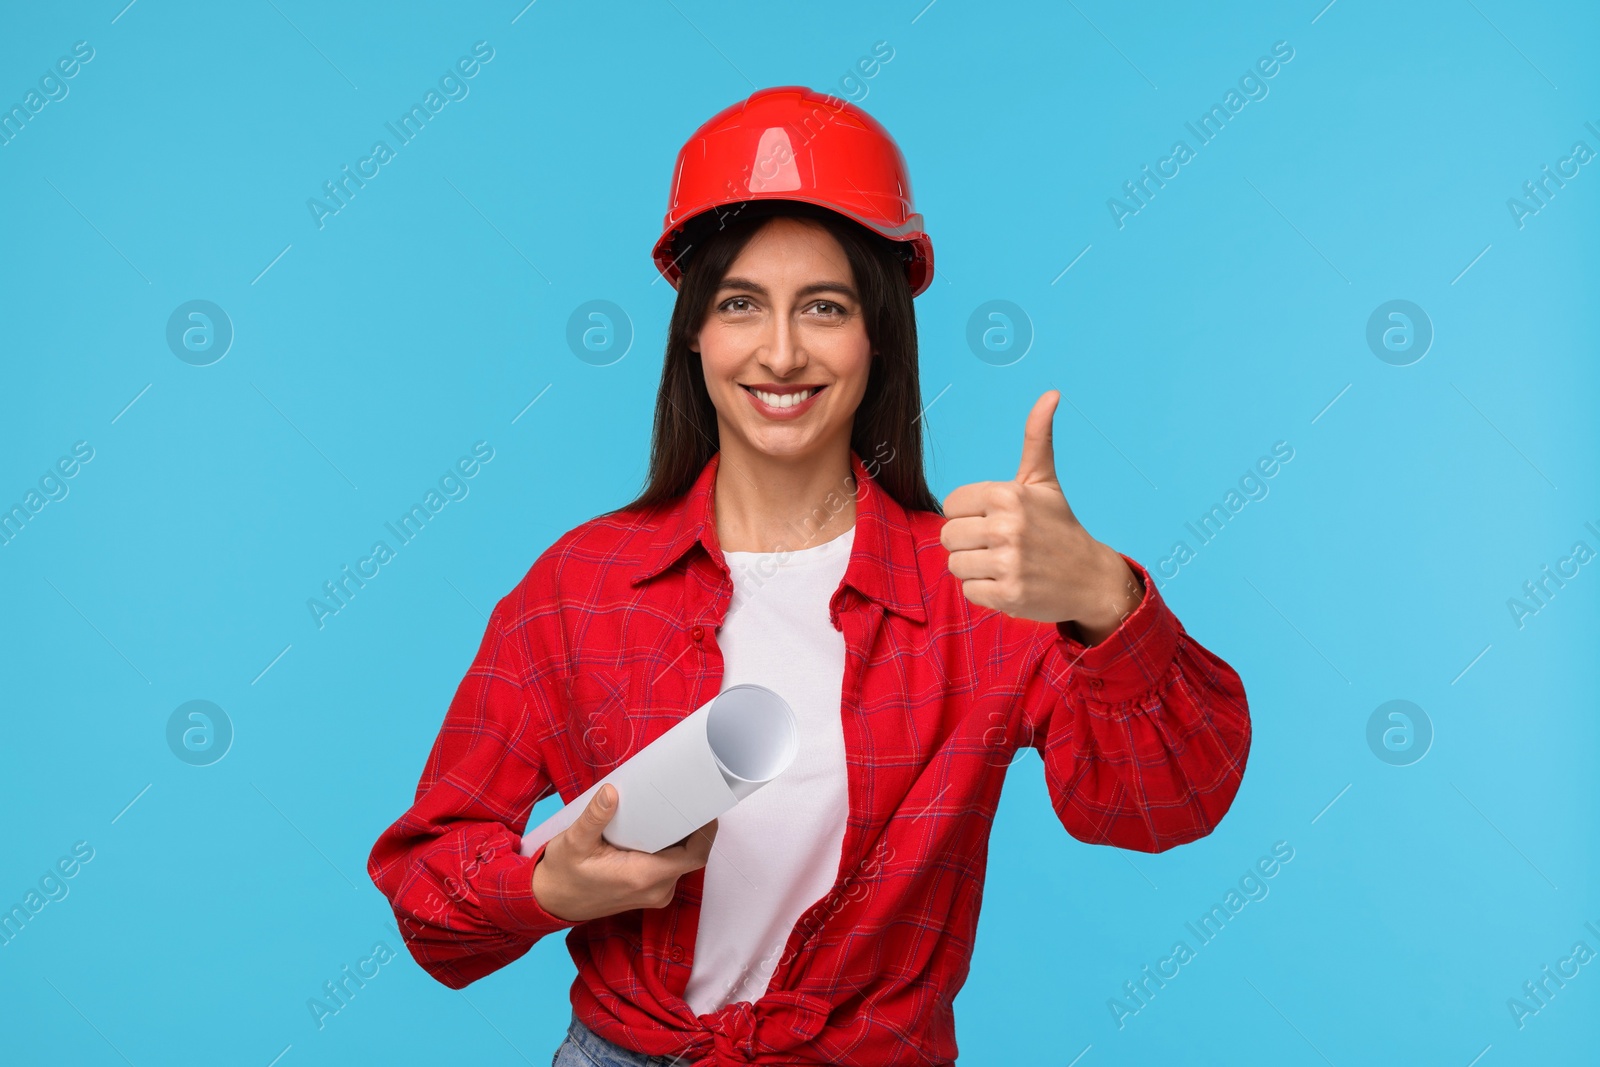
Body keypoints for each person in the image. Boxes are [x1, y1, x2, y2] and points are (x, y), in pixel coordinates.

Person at [367, 86, 1251, 1067]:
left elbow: (1161, 804)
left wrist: (1104, 600)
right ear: (694, 332)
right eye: (741, 303)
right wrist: (549, 890)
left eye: (822, 308)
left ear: (876, 335)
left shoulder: (979, 586)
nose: (780, 351)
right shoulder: (580, 584)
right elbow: (429, 896)